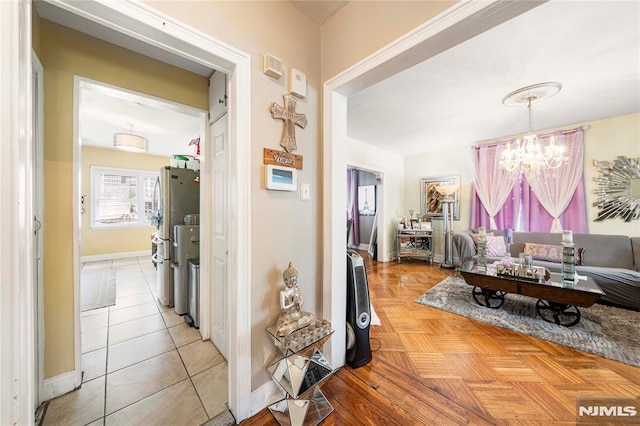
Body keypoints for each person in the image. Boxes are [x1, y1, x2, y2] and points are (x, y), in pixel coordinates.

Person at [275, 262, 314, 337]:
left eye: (295, 280)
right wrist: (293, 303)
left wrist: (299, 302)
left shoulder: (296, 289)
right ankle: (292, 326)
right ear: (286, 280)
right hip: (287, 318)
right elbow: (283, 308)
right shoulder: (283, 293)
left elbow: (300, 301)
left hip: (297, 315)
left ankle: (294, 325)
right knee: (281, 329)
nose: (294, 282)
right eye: (291, 280)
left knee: (310, 316)